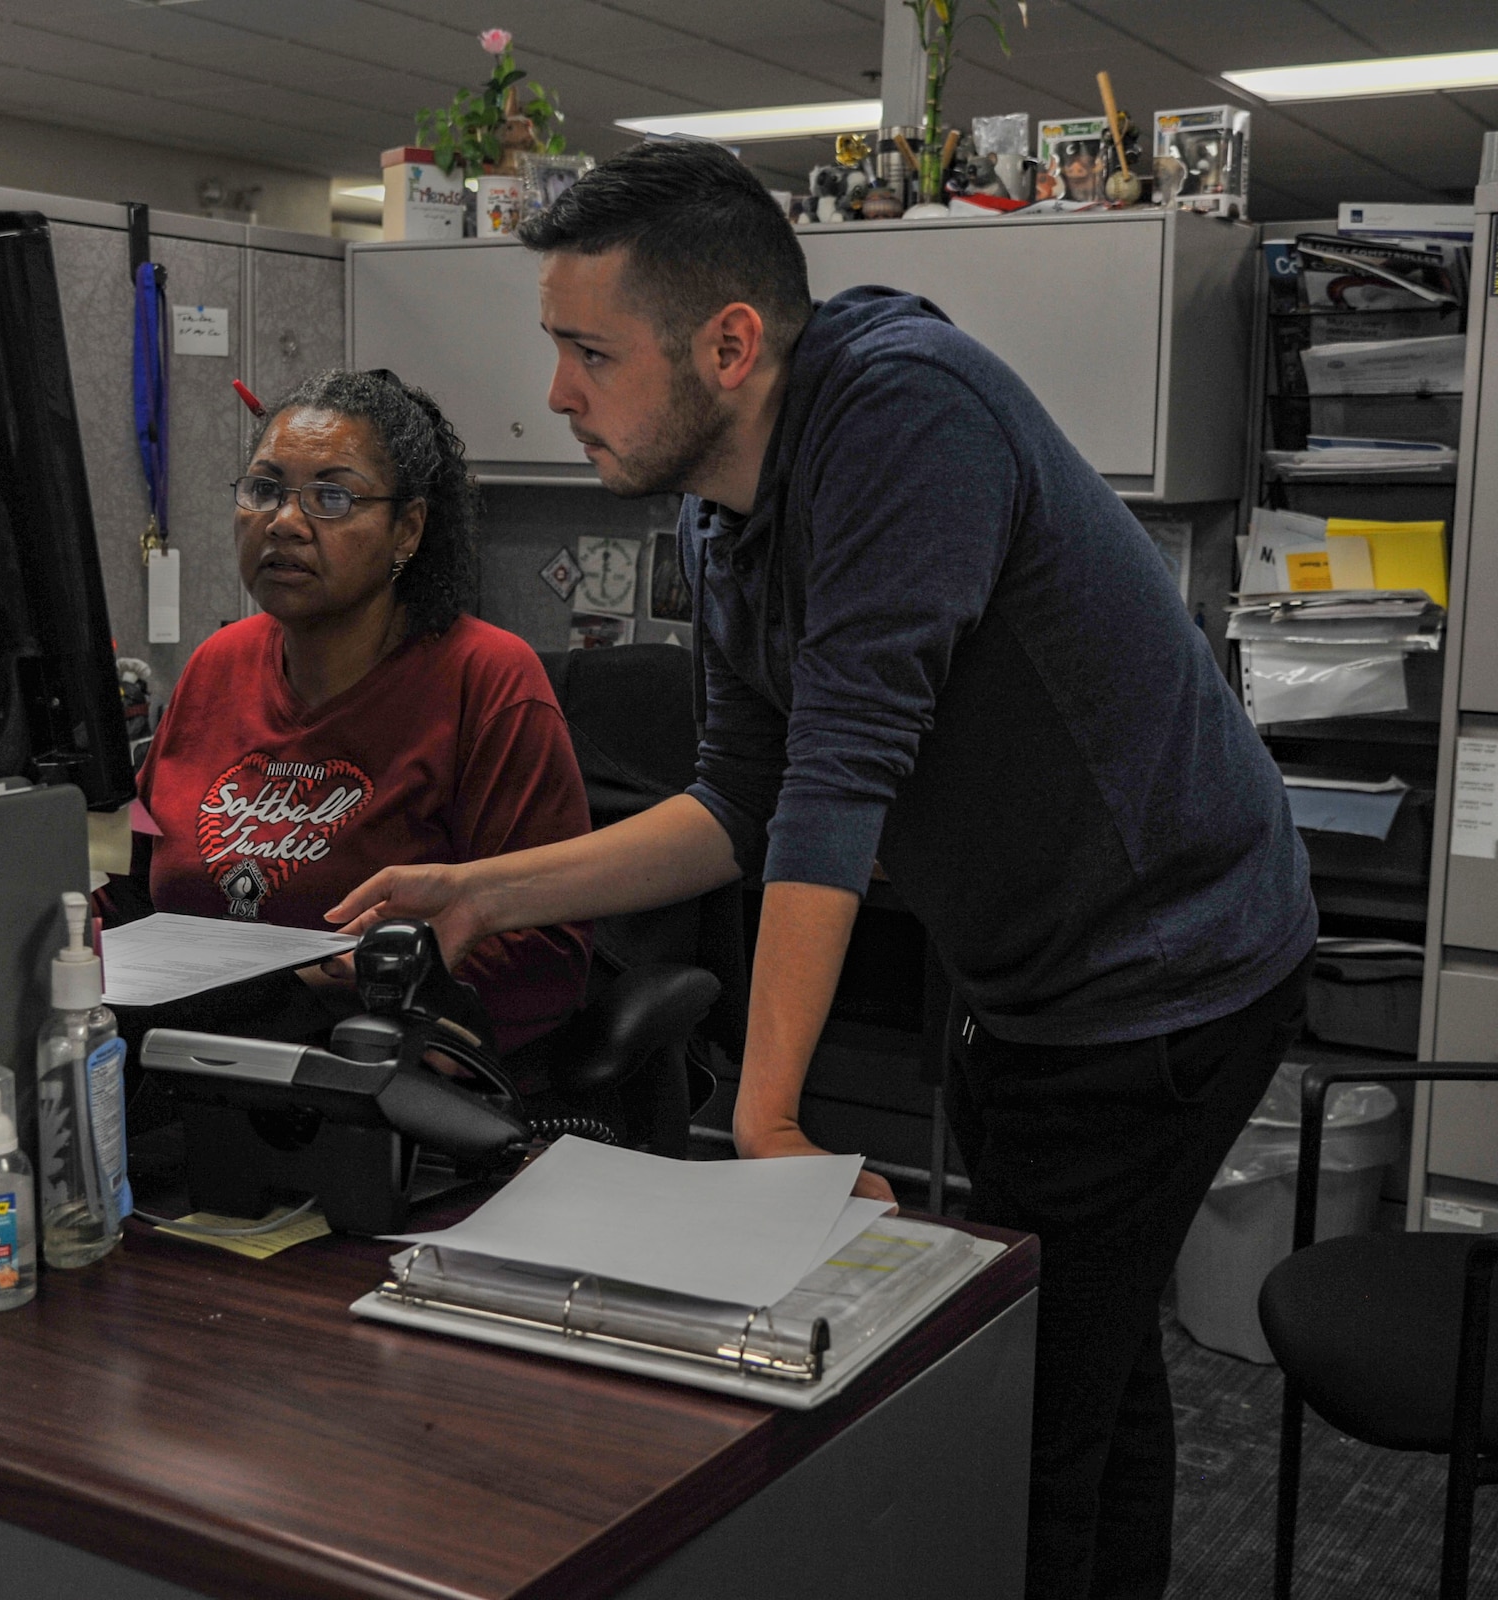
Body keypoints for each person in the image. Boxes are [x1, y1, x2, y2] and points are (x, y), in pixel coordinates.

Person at [326, 141, 1314, 1600]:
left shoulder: (908, 418)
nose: (558, 395)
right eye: (557, 349)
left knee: (1027, 1407)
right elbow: (741, 796)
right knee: (1088, 1367)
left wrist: (767, 1115)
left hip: (1164, 977)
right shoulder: (720, 503)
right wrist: (492, 888)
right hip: (1031, 975)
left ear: (730, 345)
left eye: (590, 352)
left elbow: (838, 786)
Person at [121, 366, 590, 1058]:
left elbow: (548, 950)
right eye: (264, 490)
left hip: (377, 1084)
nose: (284, 522)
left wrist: (370, 987)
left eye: (331, 496)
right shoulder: (215, 665)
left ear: (407, 530)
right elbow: (130, 884)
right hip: (186, 1061)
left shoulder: (486, 680)